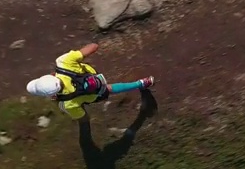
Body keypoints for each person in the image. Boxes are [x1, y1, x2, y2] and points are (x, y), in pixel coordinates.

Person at [25, 42, 154, 120]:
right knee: (105, 84)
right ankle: (143, 83)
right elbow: (94, 46)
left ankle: (141, 83)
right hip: (92, 75)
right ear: (50, 75)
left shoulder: (66, 104)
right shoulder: (63, 62)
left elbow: (82, 116)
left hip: (96, 91)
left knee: (109, 89)